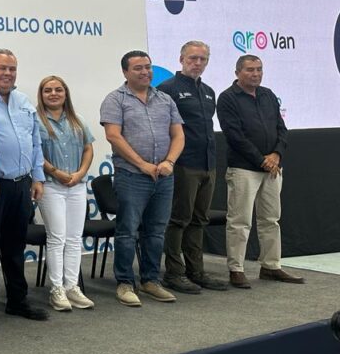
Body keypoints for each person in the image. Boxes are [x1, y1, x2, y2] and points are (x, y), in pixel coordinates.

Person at [100, 50, 184, 307]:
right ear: (125, 72)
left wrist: (169, 162)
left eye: (148, 67)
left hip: (163, 176)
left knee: (156, 232)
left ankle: (150, 280)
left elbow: (178, 135)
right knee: (127, 232)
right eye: (138, 68)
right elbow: (113, 136)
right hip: (131, 176)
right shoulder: (115, 99)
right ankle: (125, 283)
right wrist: (142, 164)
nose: (145, 72)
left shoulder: (165, 99)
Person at [0, 49, 48, 328]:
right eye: (2, 68)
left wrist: (38, 177)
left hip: (21, 183)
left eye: (12, 69)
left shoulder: (23, 101)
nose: (7, 73)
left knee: (15, 243)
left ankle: (18, 299)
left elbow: (35, 141)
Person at [217, 55, 304, 288]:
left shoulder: (268, 95)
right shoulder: (227, 98)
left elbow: (281, 128)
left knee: (271, 220)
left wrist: (276, 155)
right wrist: (261, 160)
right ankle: (236, 269)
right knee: (240, 221)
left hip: (273, 168)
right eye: (250, 70)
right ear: (237, 72)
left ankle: (271, 266)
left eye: (259, 69)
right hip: (244, 168)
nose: (255, 74)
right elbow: (234, 135)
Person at [157, 42, 228, 294]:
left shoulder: (208, 92)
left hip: (208, 163)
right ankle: (174, 273)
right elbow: (162, 129)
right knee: (179, 219)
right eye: (193, 58)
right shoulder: (167, 89)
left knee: (199, 219)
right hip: (183, 163)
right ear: (181, 59)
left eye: (203, 59)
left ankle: (196, 271)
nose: (197, 63)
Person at [36, 75, 96, 311]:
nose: (53, 94)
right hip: (52, 186)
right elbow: (34, 153)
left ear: (65, 93)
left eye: (58, 90)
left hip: (77, 185)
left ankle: (72, 286)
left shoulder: (77, 119)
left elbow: (88, 148)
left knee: (73, 238)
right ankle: (56, 289)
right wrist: (55, 172)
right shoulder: (36, 120)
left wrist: (81, 173)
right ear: (41, 95)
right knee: (57, 238)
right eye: (48, 90)